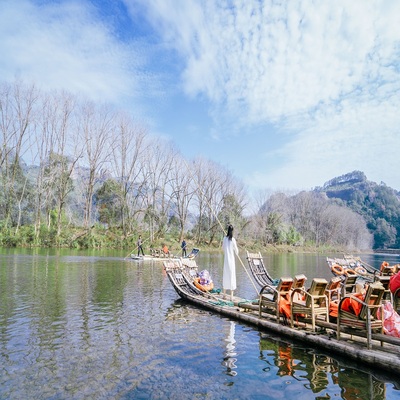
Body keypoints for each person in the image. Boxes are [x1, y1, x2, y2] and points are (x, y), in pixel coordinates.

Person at [222, 224, 239, 301]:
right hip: (231, 261)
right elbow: (236, 251)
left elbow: (223, 249)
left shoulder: (224, 239)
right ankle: (231, 296)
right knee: (231, 276)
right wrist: (237, 253)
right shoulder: (233, 240)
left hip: (226, 261)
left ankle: (224, 295)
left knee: (226, 275)